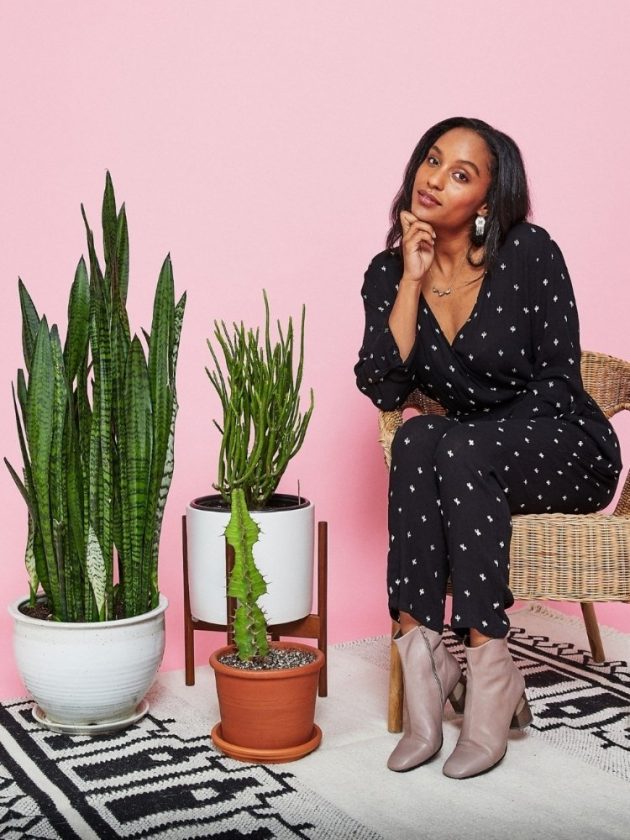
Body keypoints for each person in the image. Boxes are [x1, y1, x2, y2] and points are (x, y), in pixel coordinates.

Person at [354, 116, 621, 779]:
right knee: (419, 435)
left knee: (453, 446)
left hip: (566, 447)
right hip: (468, 454)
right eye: (433, 161)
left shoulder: (529, 251)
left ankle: (490, 665)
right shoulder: (390, 272)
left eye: (461, 174)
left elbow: (561, 382)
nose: (436, 180)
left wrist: (477, 436)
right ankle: (426, 663)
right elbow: (385, 385)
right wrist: (411, 279)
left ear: (486, 201)